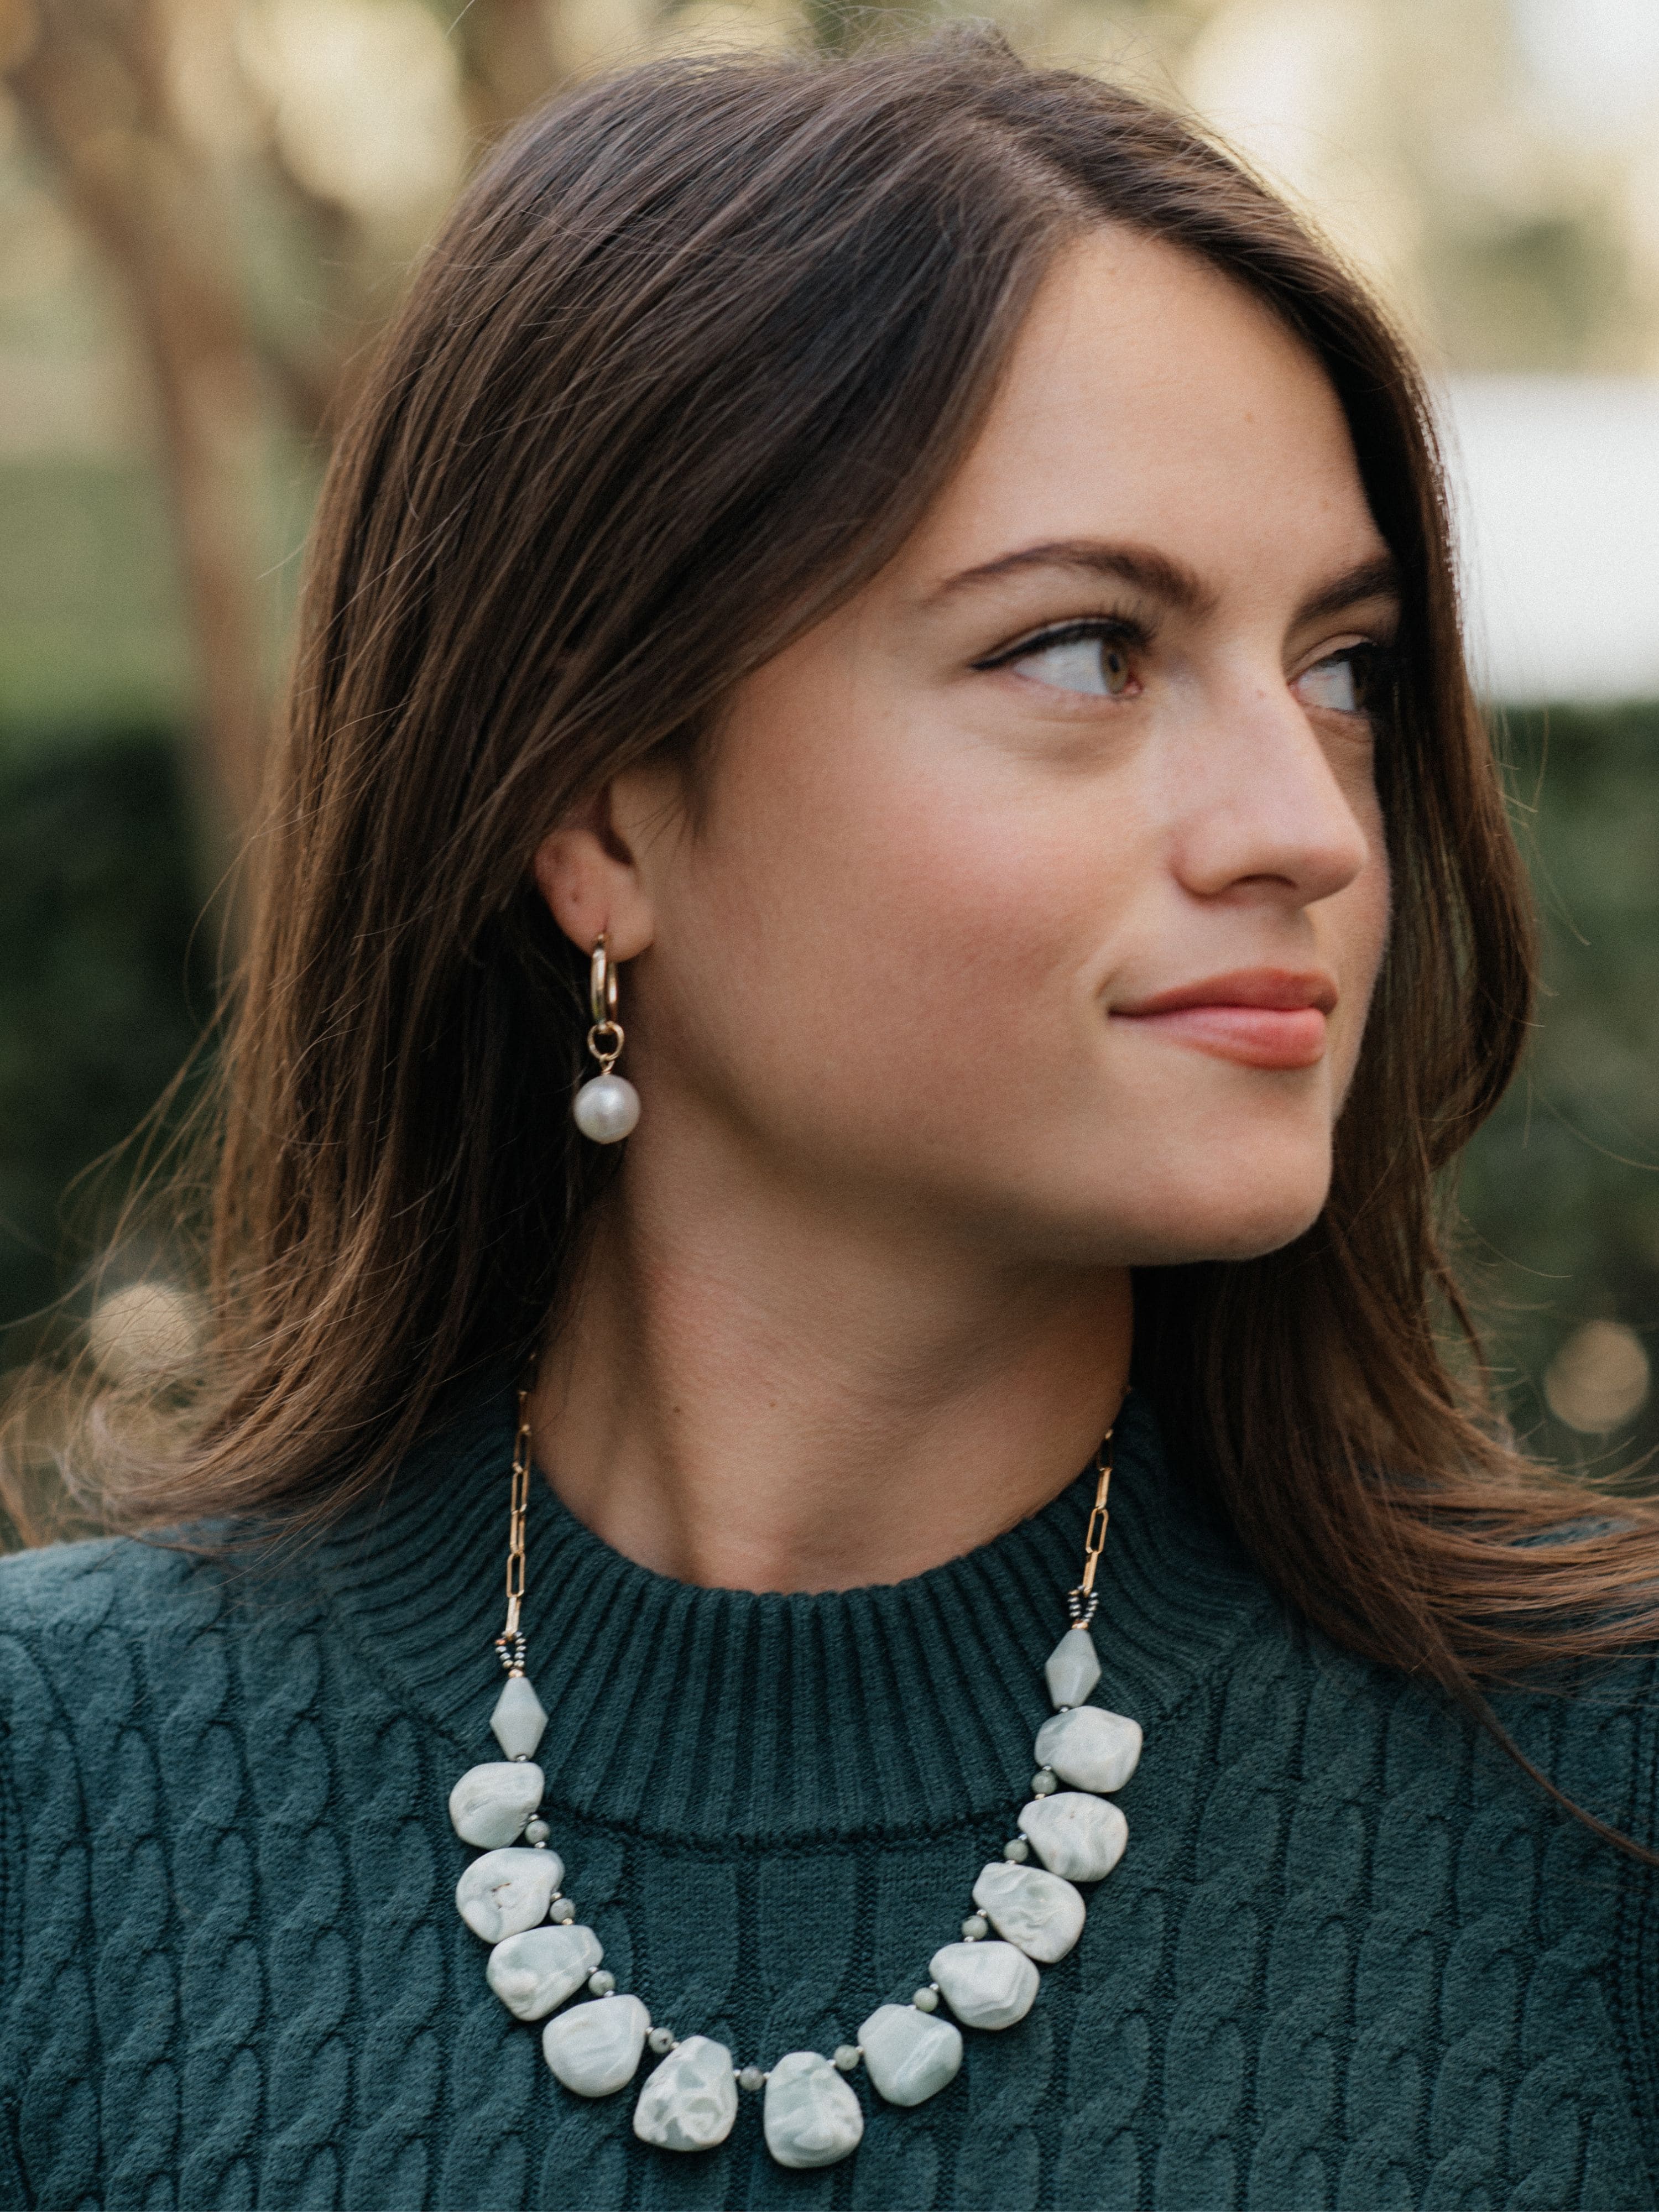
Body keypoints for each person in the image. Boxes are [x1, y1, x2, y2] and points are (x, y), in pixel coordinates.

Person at [3, 29, 1657, 2210]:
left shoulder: (1601, 1815)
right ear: (596, 811)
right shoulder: (62, 1804)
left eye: (1341, 666)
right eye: (1087, 649)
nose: (1306, 825)